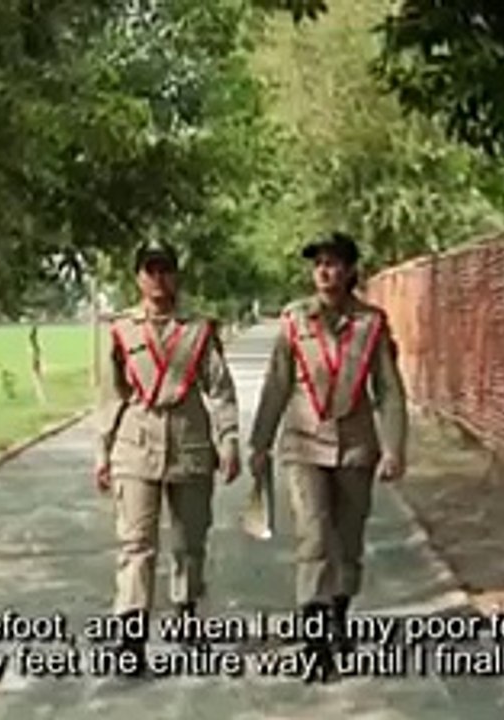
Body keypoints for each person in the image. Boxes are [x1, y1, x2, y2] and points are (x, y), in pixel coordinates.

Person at [247, 231, 408, 681]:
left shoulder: (372, 324)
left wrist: (395, 448)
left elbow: (390, 392)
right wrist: (258, 444)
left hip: (356, 447)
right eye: (318, 263)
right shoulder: (294, 320)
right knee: (314, 538)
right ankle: (315, 640)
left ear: (352, 270)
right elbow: (277, 383)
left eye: (334, 263)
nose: (324, 271)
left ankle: (338, 616)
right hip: (303, 444)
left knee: (348, 541)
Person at [94, 241, 242, 673]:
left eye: (165, 270)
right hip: (134, 446)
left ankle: (187, 619)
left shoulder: (198, 330)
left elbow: (220, 389)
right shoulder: (122, 329)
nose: (158, 278)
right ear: (138, 277)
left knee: (188, 542)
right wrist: (101, 453)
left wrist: (229, 439)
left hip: (190, 445)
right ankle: (131, 637)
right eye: (150, 270)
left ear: (176, 275)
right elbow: (109, 396)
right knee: (136, 544)